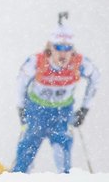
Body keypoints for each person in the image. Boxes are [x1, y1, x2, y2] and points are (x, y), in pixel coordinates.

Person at [12, 24, 100, 173]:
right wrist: (21, 108)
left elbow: (96, 77)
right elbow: (20, 83)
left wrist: (84, 109)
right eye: (58, 47)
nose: (63, 53)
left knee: (62, 151)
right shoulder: (36, 61)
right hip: (37, 111)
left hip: (62, 113)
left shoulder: (79, 63)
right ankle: (17, 181)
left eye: (68, 48)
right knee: (26, 151)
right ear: (50, 47)